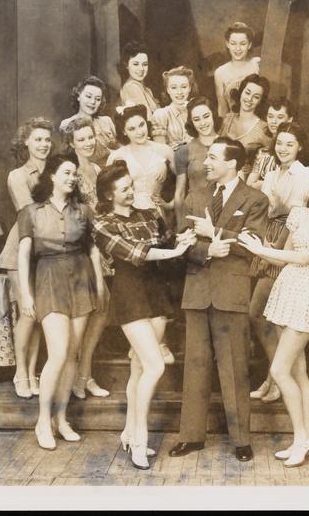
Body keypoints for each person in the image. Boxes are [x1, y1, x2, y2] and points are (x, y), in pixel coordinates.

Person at [238, 160, 309, 467]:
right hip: (287, 289)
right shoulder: (300, 214)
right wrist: (261, 247)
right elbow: (286, 256)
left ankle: (302, 439)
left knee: (279, 371)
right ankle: (305, 437)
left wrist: (260, 251)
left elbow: (305, 258)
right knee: (297, 371)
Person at [168, 136, 268, 463]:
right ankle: (191, 437)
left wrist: (213, 233)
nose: (205, 162)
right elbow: (180, 245)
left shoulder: (256, 199)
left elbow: (253, 243)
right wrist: (206, 249)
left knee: (235, 368)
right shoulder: (194, 197)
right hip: (197, 292)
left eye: (213, 157)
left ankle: (241, 441)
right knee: (195, 367)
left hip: (231, 294)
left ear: (232, 163)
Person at [93, 162, 196, 470]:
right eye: (123, 188)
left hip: (156, 293)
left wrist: (183, 241)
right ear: (109, 195)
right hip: (130, 296)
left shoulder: (149, 213)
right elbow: (137, 253)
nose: (131, 191)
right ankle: (140, 439)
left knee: (139, 369)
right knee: (154, 366)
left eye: (130, 185)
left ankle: (128, 432)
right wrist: (174, 251)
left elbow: (168, 241)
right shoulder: (102, 224)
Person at [17, 153, 105, 450]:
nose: (72, 178)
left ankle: (62, 419)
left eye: (74, 174)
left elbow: (93, 250)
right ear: (52, 176)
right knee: (57, 353)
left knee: (72, 355)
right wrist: (26, 294)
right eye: (67, 172)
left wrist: (99, 284)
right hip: (49, 280)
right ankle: (43, 421)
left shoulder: (83, 211)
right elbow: (23, 256)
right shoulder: (31, 212)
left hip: (81, 281)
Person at [248, 122, 309, 404]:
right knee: (260, 314)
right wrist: (263, 241)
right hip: (268, 235)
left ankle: (277, 379)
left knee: (271, 314)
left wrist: (278, 248)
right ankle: (273, 377)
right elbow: (265, 210)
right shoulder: (272, 174)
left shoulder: (303, 174)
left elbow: (295, 215)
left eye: (290, 144)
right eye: (280, 143)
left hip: (288, 239)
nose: (283, 148)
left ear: (300, 147)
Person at [109, 104, 178, 364]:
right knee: (138, 276)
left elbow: (182, 182)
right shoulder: (118, 154)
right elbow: (110, 190)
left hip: (157, 216)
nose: (139, 131)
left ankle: (161, 340)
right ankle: (140, 343)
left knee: (160, 277)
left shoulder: (164, 150)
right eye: (132, 128)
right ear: (124, 132)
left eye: (141, 125)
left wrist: (170, 204)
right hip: (130, 219)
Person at [0, 117, 53, 399]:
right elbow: (31, 214)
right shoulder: (17, 175)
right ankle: (20, 372)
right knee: (27, 314)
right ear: (26, 142)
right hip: (21, 250)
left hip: (48, 250)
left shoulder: (55, 171)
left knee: (40, 315)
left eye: (47, 140)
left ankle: (32, 372)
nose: (43, 144)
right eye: (38, 139)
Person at [62, 117, 111, 399]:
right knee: (81, 314)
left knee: (100, 309)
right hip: (80, 248)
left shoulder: (98, 169)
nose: (88, 143)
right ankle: (74, 376)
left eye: (90, 137)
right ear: (72, 144)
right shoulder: (69, 172)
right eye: (81, 139)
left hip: (101, 244)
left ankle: (84, 374)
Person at [173, 96, 220, 229]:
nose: (202, 123)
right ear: (191, 122)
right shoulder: (184, 151)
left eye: (206, 116)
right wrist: (181, 226)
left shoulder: (229, 144)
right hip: (195, 212)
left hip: (224, 211)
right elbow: (179, 193)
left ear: (213, 115)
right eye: (196, 119)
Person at [219, 73, 271, 179]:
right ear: (241, 92)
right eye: (247, 93)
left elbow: (272, 161)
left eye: (256, 97)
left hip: (244, 182)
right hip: (221, 177)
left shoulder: (263, 128)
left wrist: (254, 169)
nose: (249, 99)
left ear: (261, 101)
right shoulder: (227, 119)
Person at [59, 76, 116, 168]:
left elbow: (119, 147)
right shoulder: (67, 124)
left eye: (98, 99)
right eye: (88, 96)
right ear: (78, 96)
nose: (93, 102)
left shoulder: (106, 121)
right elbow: (67, 158)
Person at [246, 97, 295, 190]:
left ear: (290, 119)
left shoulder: (292, 150)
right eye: (270, 116)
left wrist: (263, 184)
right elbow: (250, 183)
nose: (274, 121)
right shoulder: (263, 151)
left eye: (280, 117)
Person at [214, 21, 261, 118]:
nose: (238, 48)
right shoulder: (220, 72)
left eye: (243, 44)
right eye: (233, 43)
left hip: (256, 120)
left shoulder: (256, 65)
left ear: (249, 45)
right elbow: (222, 107)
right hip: (233, 122)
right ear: (227, 44)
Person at [151, 65, 196, 151]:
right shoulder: (161, 114)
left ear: (190, 88)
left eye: (184, 87)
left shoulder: (196, 109)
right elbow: (161, 151)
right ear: (168, 89)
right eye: (174, 88)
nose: (179, 92)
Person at [118, 41, 159, 121]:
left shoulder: (146, 89)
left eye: (145, 64)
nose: (141, 69)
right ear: (126, 65)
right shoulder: (131, 87)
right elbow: (148, 119)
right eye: (136, 64)